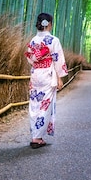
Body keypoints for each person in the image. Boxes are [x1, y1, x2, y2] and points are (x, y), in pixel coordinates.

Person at [24, 12, 68, 149]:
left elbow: (30, 59)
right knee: (45, 105)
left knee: (34, 105)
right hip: (48, 75)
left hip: (35, 74)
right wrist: (60, 78)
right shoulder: (53, 40)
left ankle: (35, 135)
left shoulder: (32, 40)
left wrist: (38, 63)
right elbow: (57, 59)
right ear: (49, 24)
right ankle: (37, 138)